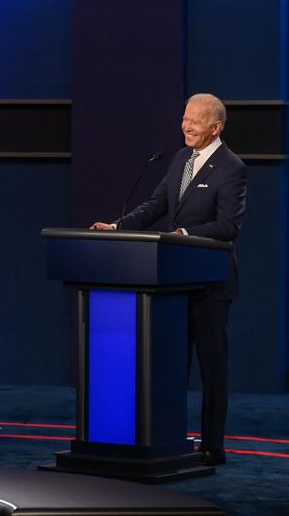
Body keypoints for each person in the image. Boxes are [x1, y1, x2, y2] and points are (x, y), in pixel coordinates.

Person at [91, 93, 246, 466]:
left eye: (196, 120)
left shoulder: (232, 167)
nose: (187, 126)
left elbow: (228, 226)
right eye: (184, 119)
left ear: (216, 127)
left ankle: (213, 445)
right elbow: (156, 206)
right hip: (173, 283)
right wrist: (116, 226)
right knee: (174, 366)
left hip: (210, 285)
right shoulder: (180, 159)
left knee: (212, 368)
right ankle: (171, 437)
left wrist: (185, 235)